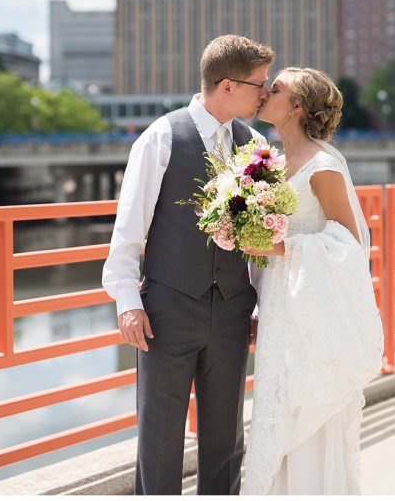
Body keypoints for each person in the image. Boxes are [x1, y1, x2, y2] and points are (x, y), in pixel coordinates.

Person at [102, 34, 274, 495]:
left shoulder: (256, 144)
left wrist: (260, 304)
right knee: (159, 436)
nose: (264, 93)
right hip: (167, 311)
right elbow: (129, 229)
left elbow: (260, 235)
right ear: (227, 85)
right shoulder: (161, 137)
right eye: (258, 83)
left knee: (226, 438)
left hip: (234, 310)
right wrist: (127, 302)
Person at [241, 67, 384, 494]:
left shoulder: (322, 166)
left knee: (302, 407)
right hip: (279, 305)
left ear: (297, 107)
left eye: (276, 89)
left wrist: (280, 246)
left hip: (309, 316)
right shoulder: (269, 162)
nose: (265, 92)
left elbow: (348, 245)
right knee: (276, 407)